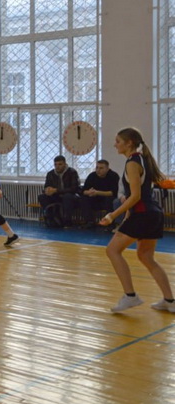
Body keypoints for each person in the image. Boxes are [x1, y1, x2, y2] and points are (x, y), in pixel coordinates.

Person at [99, 127, 174, 313]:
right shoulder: (142, 159)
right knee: (146, 257)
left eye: (118, 141)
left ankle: (130, 296)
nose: (115, 145)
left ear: (129, 143)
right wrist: (127, 215)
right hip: (152, 213)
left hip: (143, 214)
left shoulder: (133, 163)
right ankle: (170, 301)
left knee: (112, 250)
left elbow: (135, 196)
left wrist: (112, 215)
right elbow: (138, 195)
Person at [37, 155, 81, 227]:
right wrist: (47, 190)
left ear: (65, 164)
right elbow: (46, 186)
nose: (57, 167)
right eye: (55, 164)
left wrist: (56, 190)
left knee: (67, 197)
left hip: (71, 196)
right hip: (56, 196)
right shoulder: (50, 174)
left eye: (60, 164)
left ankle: (67, 222)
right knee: (42, 197)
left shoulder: (72, 172)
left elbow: (74, 189)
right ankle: (52, 219)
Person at [79, 159, 120, 228]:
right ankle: (89, 222)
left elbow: (113, 193)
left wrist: (97, 192)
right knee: (84, 198)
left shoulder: (114, 176)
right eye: (97, 167)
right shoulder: (92, 175)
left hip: (106, 199)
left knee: (110, 200)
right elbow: (83, 191)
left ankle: (109, 223)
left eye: (101, 168)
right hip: (94, 199)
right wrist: (89, 192)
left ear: (107, 169)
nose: (98, 170)